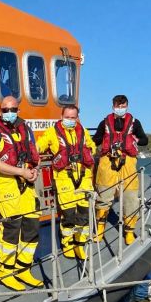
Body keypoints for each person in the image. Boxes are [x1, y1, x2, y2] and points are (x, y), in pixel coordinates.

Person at [0, 96, 43, 291]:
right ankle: (5, 272)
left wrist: (33, 170)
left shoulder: (26, 129)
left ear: (18, 109)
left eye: (13, 109)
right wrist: (21, 172)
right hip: (7, 185)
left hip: (27, 184)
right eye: (5, 109)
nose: (9, 113)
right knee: (11, 228)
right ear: (0, 111)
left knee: (32, 225)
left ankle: (23, 268)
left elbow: (35, 155)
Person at [36, 105, 96, 260]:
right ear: (62, 116)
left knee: (84, 212)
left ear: (77, 117)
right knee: (68, 213)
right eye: (67, 117)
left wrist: (90, 151)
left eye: (73, 117)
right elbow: (39, 146)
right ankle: (67, 243)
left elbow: (92, 146)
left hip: (84, 177)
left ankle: (80, 243)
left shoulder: (83, 131)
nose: (70, 120)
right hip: (64, 178)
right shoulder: (52, 132)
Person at [92, 95, 149, 245]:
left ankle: (129, 232)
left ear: (127, 106)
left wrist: (135, 139)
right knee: (104, 195)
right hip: (107, 162)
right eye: (118, 106)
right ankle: (99, 228)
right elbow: (96, 140)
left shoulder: (135, 123)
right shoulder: (104, 122)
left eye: (123, 106)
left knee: (130, 197)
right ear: (113, 106)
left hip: (128, 162)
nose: (120, 108)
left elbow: (145, 140)